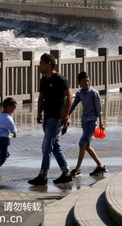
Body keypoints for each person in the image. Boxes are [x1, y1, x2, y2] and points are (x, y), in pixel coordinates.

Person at [28, 53, 73, 186]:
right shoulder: (43, 80)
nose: (39, 66)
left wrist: (65, 114)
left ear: (48, 64)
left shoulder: (59, 79)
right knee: (55, 147)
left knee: (46, 147)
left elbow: (69, 97)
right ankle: (66, 173)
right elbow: (41, 97)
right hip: (47, 117)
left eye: (41, 63)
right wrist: (39, 113)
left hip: (56, 118)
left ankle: (43, 175)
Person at [68, 71, 107, 177]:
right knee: (87, 145)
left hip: (92, 123)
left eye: (88, 81)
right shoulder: (80, 93)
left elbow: (99, 110)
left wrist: (101, 123)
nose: (87, 83)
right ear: (79, 83)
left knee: (82, 144)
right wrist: (67, 115)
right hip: (85, 122)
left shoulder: (94, 93)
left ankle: (77, 169)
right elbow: (73, 106)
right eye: (84, 81)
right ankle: (100, 165)